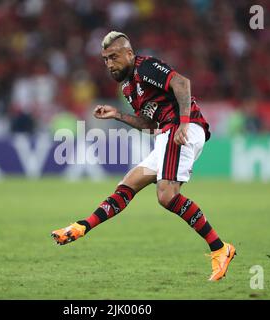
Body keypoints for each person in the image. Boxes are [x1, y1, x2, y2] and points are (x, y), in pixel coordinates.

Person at [51, 31, 236, 281]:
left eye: (114, 57)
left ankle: (220, 249)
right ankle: (82, 226)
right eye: (105, 59)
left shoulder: (145, 67)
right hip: (166, 131)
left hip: (183, 128)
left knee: (167, 195)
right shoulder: (127, 87)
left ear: (129, 53)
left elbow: (182, 83)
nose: (109, 64)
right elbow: (151, 125)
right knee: (128, 184)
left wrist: (182, 124)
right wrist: (118, 115)